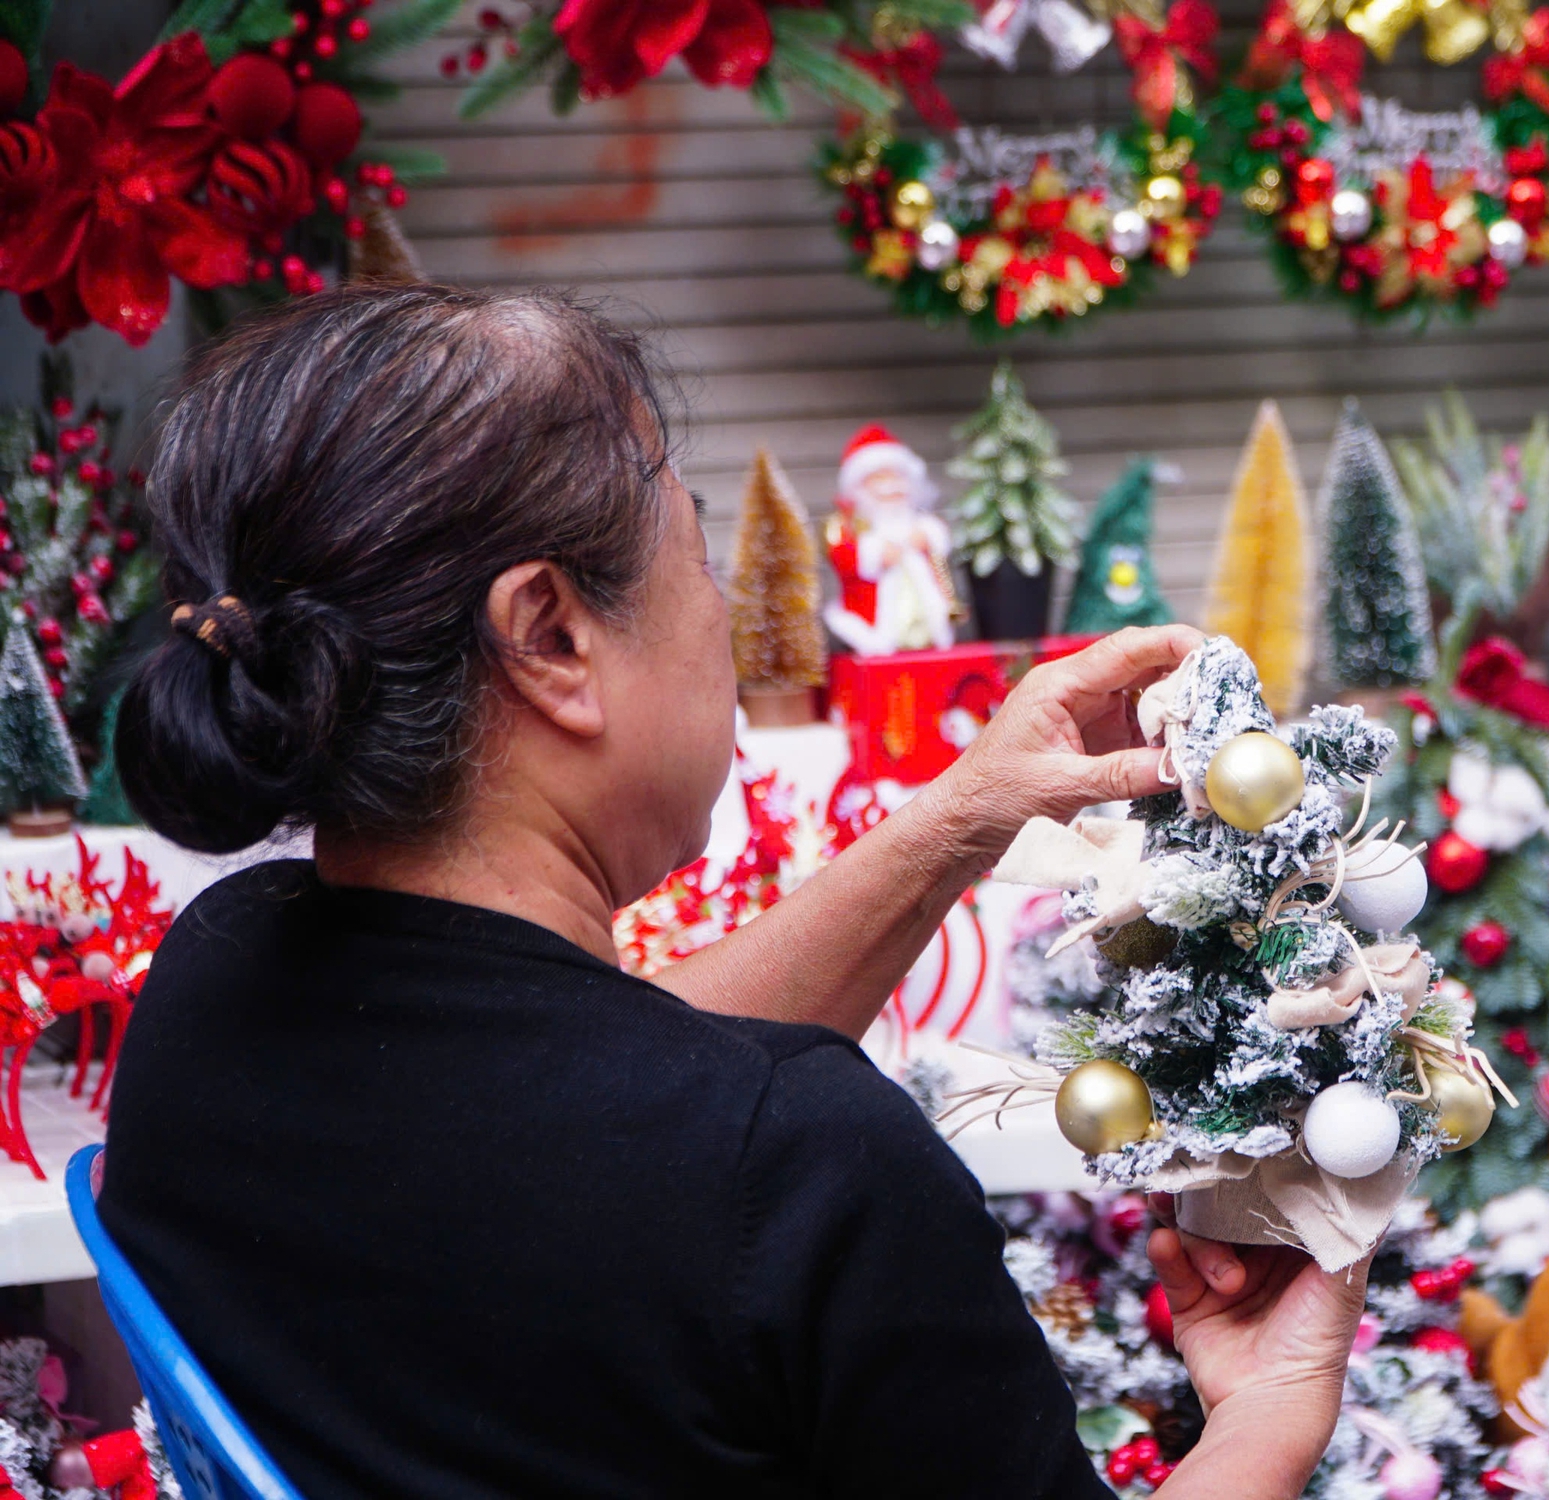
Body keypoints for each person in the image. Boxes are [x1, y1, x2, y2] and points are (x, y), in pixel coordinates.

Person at [98, 284, 1375, 1500]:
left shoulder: (213, 983)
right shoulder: (805, 1170)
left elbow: (620, 1097)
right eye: (695, 552)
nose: (721, 610)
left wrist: (961, 816)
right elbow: (690, 1128)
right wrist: (1270, 1405)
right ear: (549, 635)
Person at [822, 424, 958, 655]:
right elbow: (841, 556)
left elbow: (939, 543)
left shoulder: (920, 522)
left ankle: (927, 635)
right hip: (873, 621)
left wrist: (929, 538)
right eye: (880, 479)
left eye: (897, 477)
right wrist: (873, 553)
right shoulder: (851, 526)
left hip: (926, 615)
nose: (891, 486)